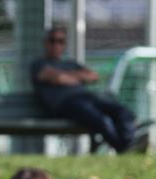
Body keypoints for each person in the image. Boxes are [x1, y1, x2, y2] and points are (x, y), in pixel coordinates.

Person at [30, 26, 136, 154]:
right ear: (46, 43)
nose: (56, 45)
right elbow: (58, 78)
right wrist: (77, 76)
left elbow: (93, 76)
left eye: (60, 41)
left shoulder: (70, 63)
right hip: (65, 105)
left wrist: (66, 76)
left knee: (123, 112)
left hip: (87, 98)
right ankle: (123, 149)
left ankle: (128, 145)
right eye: (52, 41)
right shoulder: (39, 64)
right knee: (101, 120)